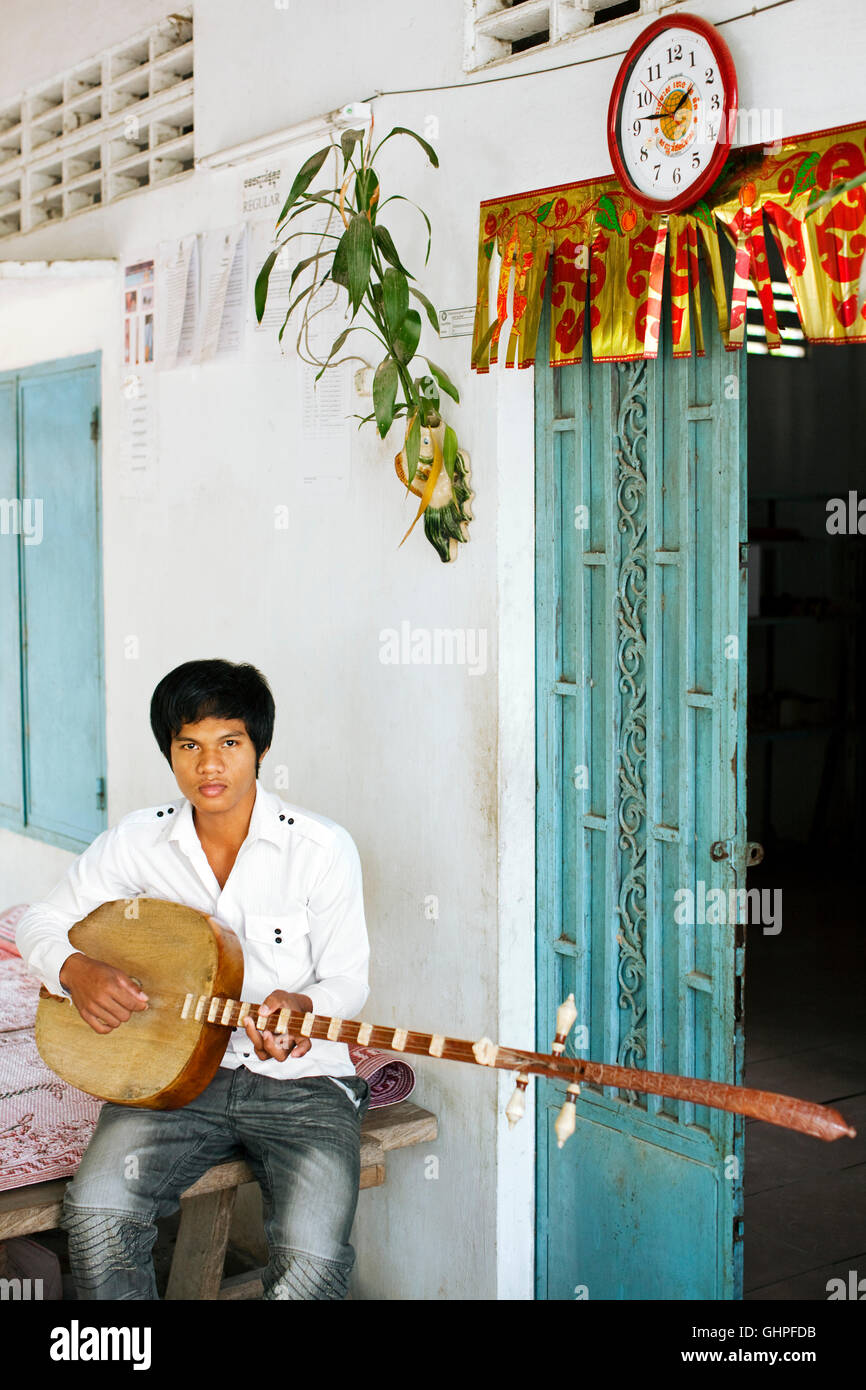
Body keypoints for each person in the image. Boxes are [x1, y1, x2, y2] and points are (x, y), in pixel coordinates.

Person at [16, 658, 371, 1301]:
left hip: (303, 1082)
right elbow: (45, 919)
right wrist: (72, 969)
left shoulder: (321, 849)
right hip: (173, 1074)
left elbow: (348, 980)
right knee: (96, 1218)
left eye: (229, 743)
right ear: (169, 754)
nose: (210, 766)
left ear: (260, 748)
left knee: (313, 1266)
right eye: (190, 746)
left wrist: (301, 1004)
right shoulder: (138, 841)